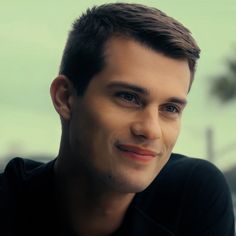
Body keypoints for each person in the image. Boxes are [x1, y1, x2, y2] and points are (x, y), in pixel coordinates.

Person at [0, 3, 234, 236]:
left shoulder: (192, 196)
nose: (151, 130)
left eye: (170, 108)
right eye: (128, 97)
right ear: (66, 97)